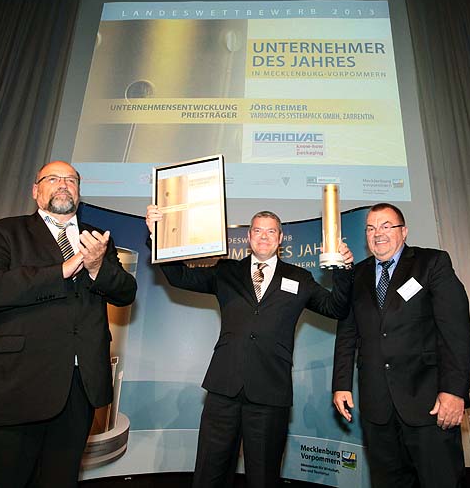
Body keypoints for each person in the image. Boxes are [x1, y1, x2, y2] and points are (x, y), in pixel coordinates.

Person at [145, 206, 353, 488]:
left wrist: (343, 269)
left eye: (270, 231)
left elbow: (336, 308)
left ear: (280, 238)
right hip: (223, 390)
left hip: (270, 394)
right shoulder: (227, 271)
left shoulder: (300, 278)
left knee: (263, 477)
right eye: (257, 231)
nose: (264, 237)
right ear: (249, 237)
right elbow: (179, 276)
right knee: (209, 474)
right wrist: (157, 235)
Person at [0, 161, 137, 487]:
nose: (63, 184)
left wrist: (97, 267)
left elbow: (126, 292)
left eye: (71, 180)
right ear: (35, 190)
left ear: (79, 192)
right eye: (53, 178)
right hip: (16, 385)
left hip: (79, 386)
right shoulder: (5, 232)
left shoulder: (97, 239)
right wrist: (60, 271)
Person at [332, 203, 470, 488]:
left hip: (429, 404)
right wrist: (341, 384)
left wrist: (454, 391)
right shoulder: (357, 274)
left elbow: (455, 331)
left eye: (386, 226)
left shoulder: (432, 263)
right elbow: (347, 333)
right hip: (377, 407)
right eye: (371, 228)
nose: (378, 233)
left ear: (404, 231)